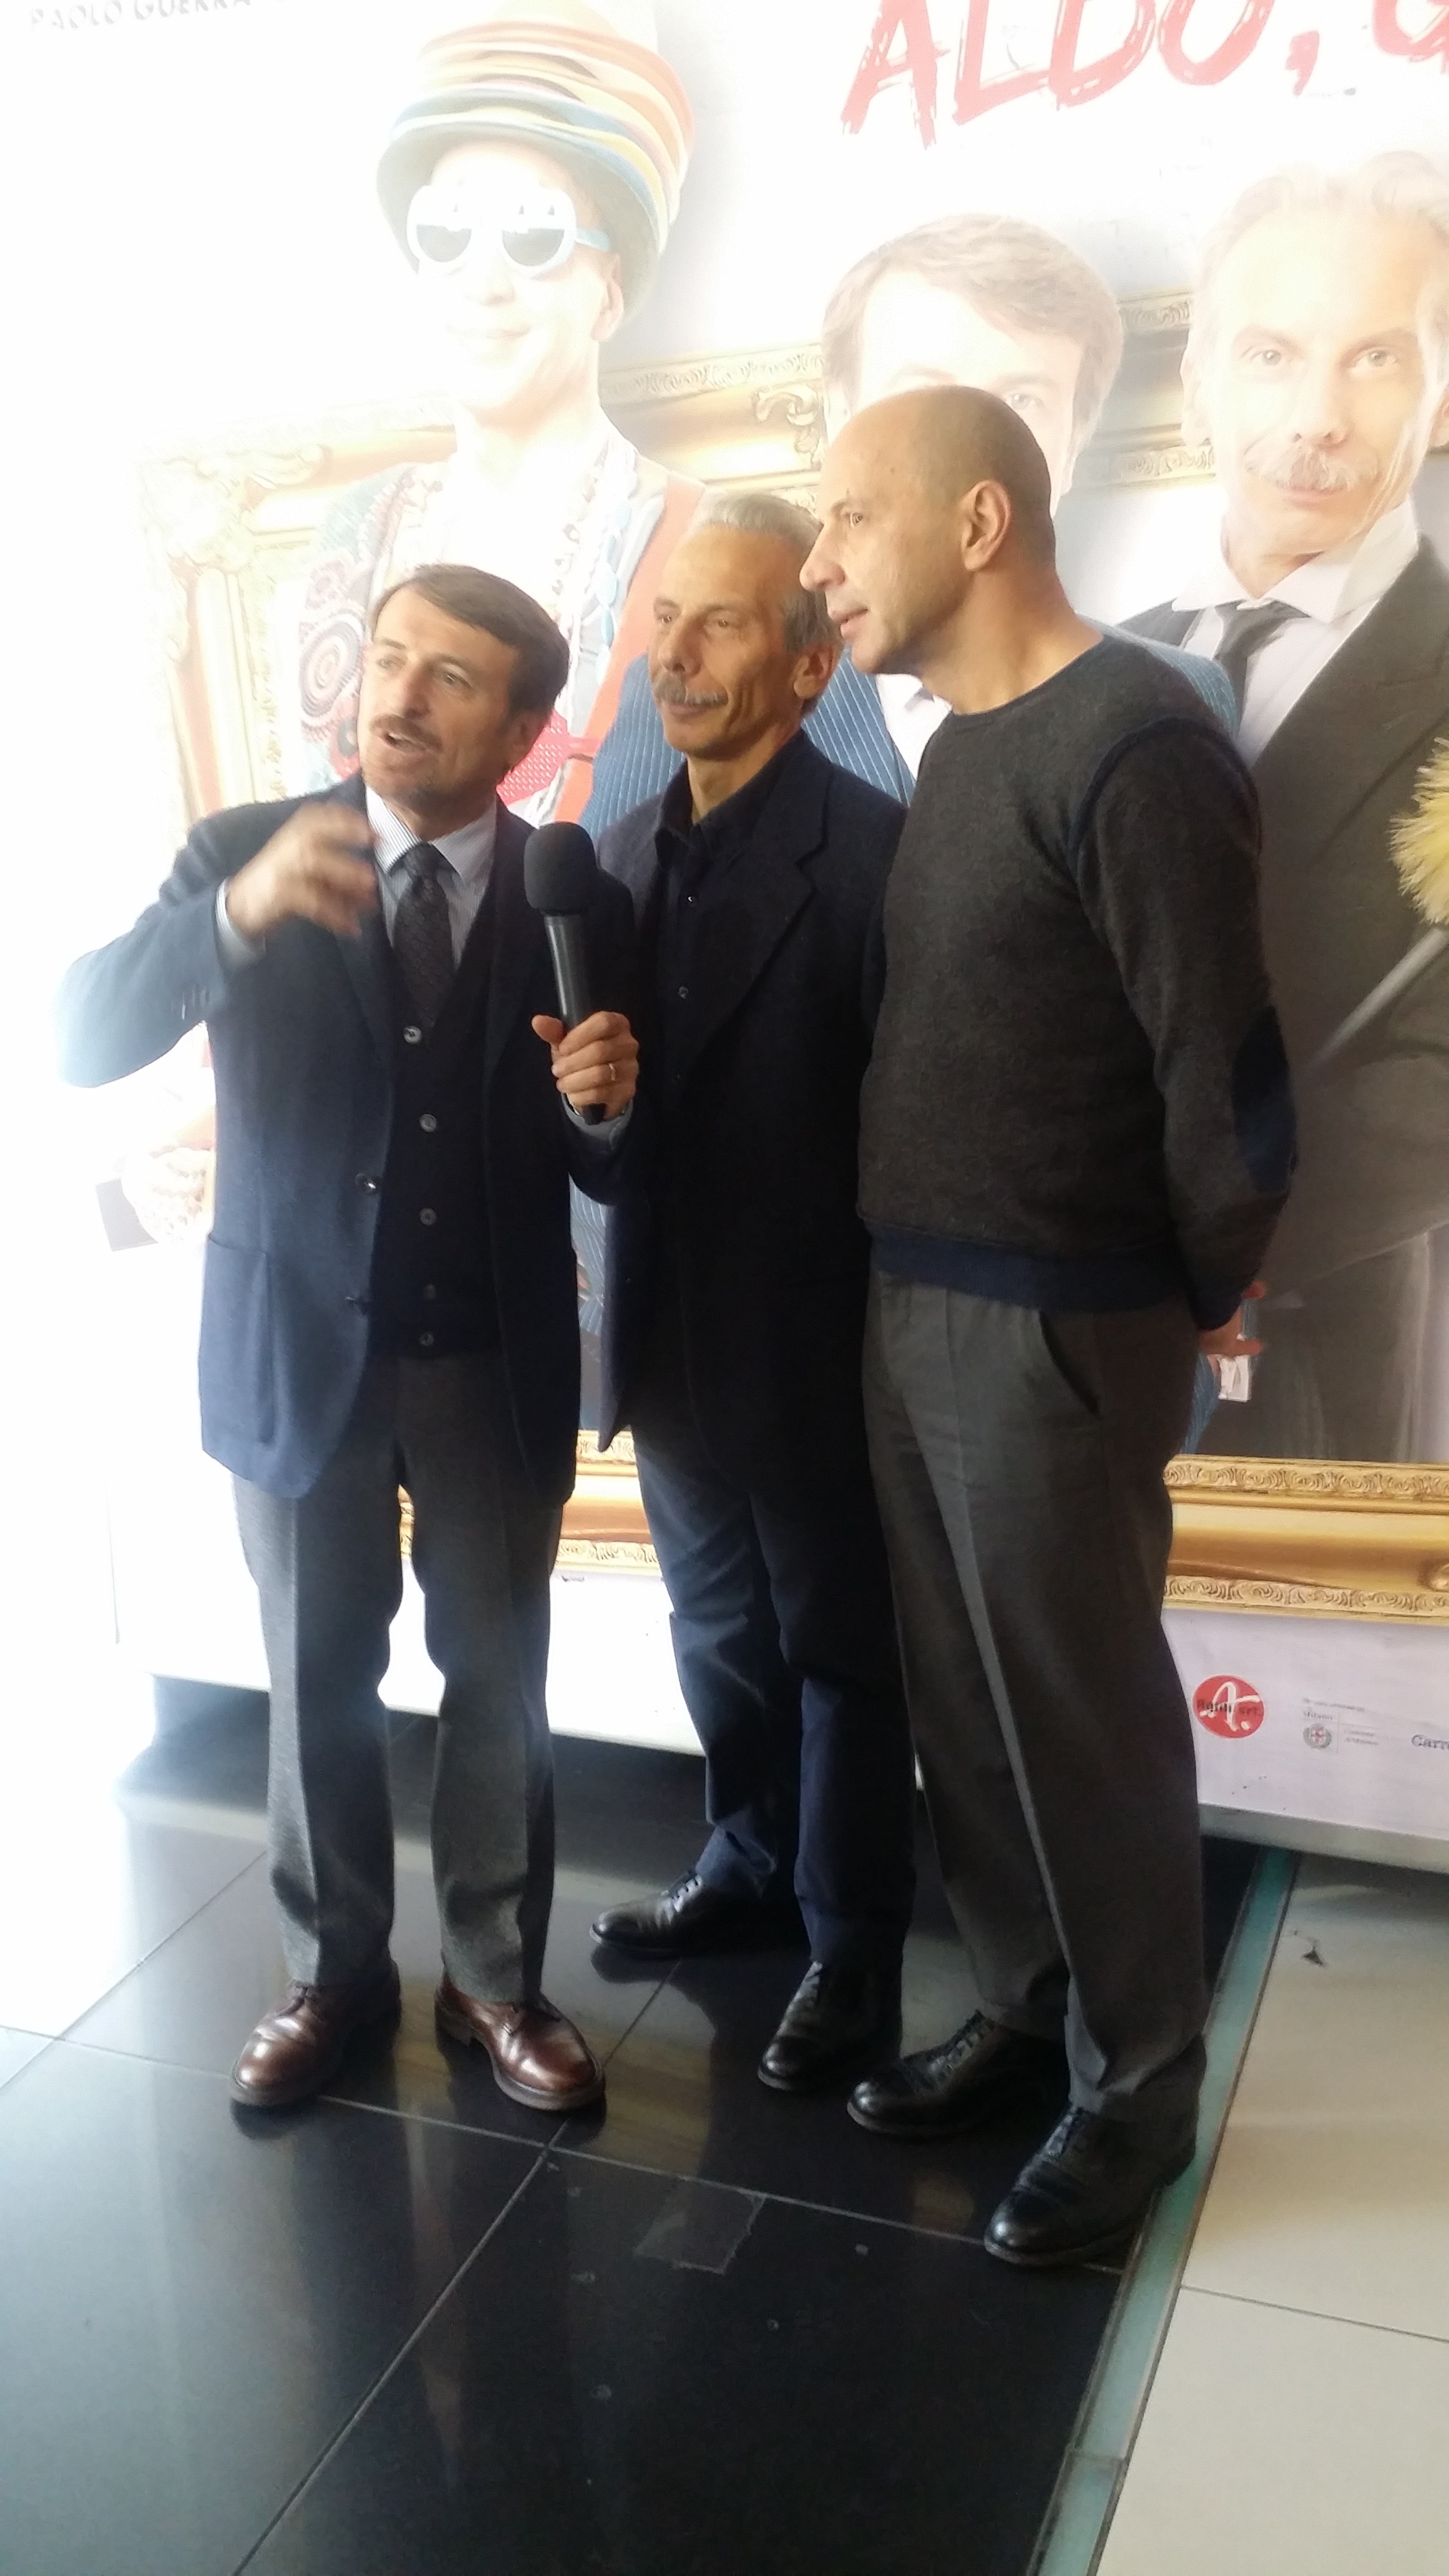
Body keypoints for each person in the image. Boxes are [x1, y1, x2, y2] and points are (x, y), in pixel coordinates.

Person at [800, 387, 1293, 2264]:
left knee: (1079, 1723)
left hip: (1060, 1324)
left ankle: (1136, 2087)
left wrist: (1182, 1290)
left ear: (978, 521)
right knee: (966, 1699)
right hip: (913, 1290)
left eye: (849, 517)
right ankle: (1022, 2008)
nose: (821, 563)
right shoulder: (959, 749)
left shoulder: (1137, 737)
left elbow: (1221, 1070)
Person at [58, 566, 640, 2117]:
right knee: (315, 1673)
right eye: (389, 659)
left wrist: (605, 1108)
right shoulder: (243, 851)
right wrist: (231, 921)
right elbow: (77, 1035)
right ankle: (334, 1974)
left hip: (491, 1356)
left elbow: (608, 1155)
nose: (400, 697)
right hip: (294, 1351)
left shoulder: (571, 894)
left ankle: (496, 1981)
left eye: (452, 678)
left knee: (499, 1680)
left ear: (523, 729)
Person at [588, 493, 918, 2093]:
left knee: (841, 1649)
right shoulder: (608, 860)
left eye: (719, 624)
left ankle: (850, 1948)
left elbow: (915, 1133)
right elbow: (593, 1130)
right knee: (715, 1628)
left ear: (805, 664)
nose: (678, 656)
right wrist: (587, 1113)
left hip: (818, 1341)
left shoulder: (873, 856)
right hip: (661, 1336)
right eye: (667, 620)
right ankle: (747, 1859)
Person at [1126, 153, 1449, 1461]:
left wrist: (1184, 1239)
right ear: (1197, 381)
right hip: (1060, 1371)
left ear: (1442, 391)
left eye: (1375, 358)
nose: (1317, 416)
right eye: (1272, 355)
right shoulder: (1104, 661)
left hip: (1315, 1382)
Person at [582, 210, 1232, 832]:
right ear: (839, 416)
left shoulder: (1173, 695)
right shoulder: (700, 676)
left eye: (1022, 400)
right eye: (922, 394)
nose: (966, 445)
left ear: (1075, 443)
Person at [298, 2, 698, 822]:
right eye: (446, 230)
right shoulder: (353, 531)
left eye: (534, 232)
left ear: (611, 288)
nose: (483, 283)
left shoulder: (709, 543)